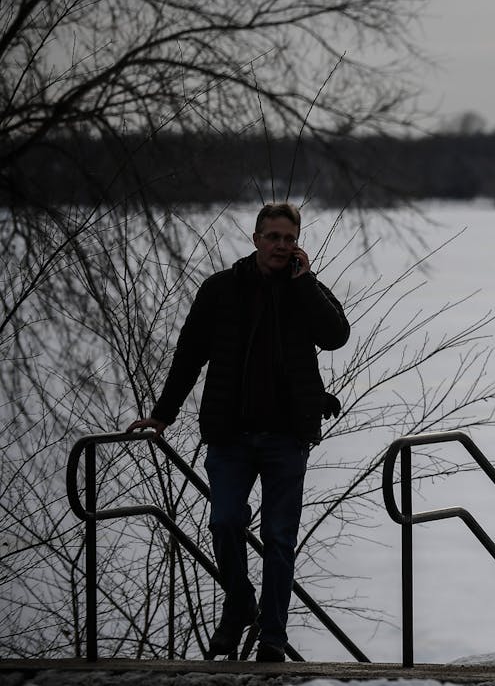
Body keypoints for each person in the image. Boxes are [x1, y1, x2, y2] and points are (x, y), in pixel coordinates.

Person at [128, 202, 350, 662]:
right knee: (224, 521)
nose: (281, 246)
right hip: (229, 436)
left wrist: (305, 283)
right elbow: (189, 354)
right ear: (255, 239)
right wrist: (162, 415)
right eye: (273, 237)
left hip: (287, 438)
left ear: (298, 244)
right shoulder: (220, 290)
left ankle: (272, 637)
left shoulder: (305, 290)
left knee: (279, 538)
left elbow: (336, 336)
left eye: (289, 239)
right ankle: (240, 600)